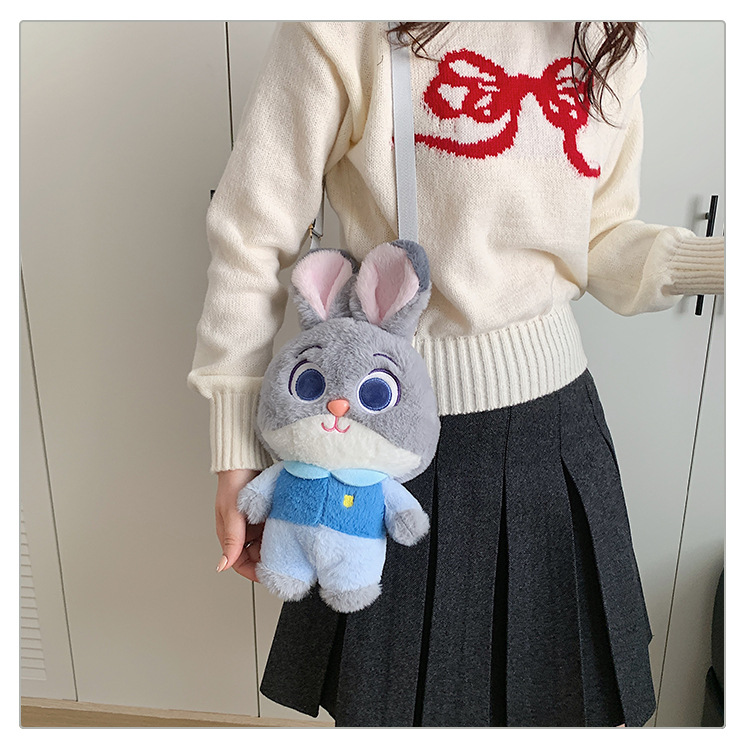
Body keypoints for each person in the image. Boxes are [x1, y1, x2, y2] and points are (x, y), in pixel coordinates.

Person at [188, 21, 725, 727]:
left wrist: (716, 262)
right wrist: (236, 443)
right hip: (389, 438)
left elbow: (598, 237)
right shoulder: (343, 26)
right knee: (396, 713)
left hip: (555, 436)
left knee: (554, 709)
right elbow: (251, 232)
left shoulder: (606, 36)